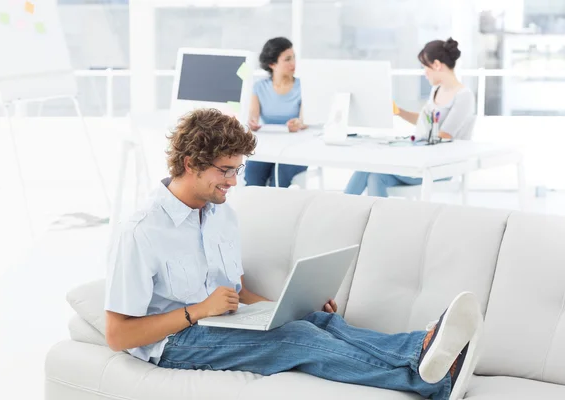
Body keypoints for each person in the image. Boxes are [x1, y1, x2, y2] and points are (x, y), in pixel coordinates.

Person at [105, 108, 483, 400]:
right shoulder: (142, 231)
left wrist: (287, 306)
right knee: (296, 340)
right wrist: (198, 311)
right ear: (190, 164)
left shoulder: (223, 215)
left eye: (239, 170)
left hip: (222, 321)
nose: (234, 182)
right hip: (175, 340)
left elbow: (235, 292)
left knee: (318, 322)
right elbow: (119, 334)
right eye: (225, 171)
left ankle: (423, 346)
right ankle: (431, 377)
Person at [345, 37, 476, 197]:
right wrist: (399, 112)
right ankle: (380, 222)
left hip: (440, 167)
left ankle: (338, 212)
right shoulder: (436, 90)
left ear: (436, 65)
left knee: (369, 166)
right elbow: (424, 121)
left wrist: (407, 149)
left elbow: (443, 137)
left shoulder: (464, 96)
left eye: (424, 67)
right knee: (375, 177)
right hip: (423, 159)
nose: (424, 73)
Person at [244, 37, 308, 187]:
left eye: (294, 58)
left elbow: (305, 120)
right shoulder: (259, 87)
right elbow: (253, 116)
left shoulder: (303, 86)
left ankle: (275, 210)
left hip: (295, 149)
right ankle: (255, 210)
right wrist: (252, 123)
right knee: (252, 173)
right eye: (287, 59)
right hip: (269, 148)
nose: (293, 63)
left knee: (279, 176)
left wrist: (299, 124)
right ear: (272, 64)